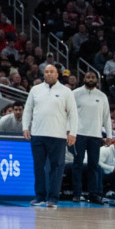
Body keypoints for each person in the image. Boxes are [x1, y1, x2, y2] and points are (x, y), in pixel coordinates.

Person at [22, 63, 78, 208]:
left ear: (57, 74)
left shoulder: (66, 92)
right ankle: (39, 196)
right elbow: (27, 110)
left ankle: (53, 198)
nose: (48, 74)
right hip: (38, 134)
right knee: (38, 167)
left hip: (58, 136)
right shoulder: (35, 90)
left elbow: (73, 114)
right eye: (46, 72)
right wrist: (25, 127)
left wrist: (73, 133)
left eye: (51, 71)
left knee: (56, 168)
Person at [71, 70, 111, 204]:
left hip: (95, 135)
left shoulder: (102, 96)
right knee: (77, 164)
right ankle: (77, 193)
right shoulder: (75, 93)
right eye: (88, 77)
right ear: (84, 78)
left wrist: (109, 135)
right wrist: (69, 131)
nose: (90, 79)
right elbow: (68, 113)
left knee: (94, 165)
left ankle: (94, 195)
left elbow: (107, 117)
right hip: (79, 134)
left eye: (93, 77)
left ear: (97, 80)